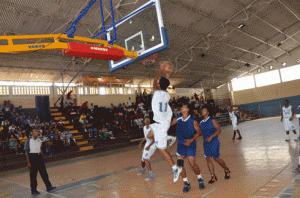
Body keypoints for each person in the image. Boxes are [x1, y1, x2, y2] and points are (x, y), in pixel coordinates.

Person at [150, 61, 181, 183]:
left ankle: (175, 168)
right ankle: (170, 138)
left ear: (158, 85)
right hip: (163, 122)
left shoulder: (157, 93)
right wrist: (167, 73)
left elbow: (155, 82)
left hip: (162, 124)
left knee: (161, 149)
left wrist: (161, 70)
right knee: (150, 136)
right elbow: (162, 84)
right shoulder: (166, 95)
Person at [170, 104, 205, 192]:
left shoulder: (192, 121)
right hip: (181, 144)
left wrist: (191, 139)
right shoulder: (178, 118)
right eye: (181, 107)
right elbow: (169, 124)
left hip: (190, 143)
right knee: (180, 165)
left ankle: (200, 178)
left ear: (187, 110)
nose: (182, 107)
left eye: (184, 107)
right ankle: (186, 183)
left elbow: (199, 132)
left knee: (191, 162)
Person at [200, 105, 230, 184]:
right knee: (208, 159)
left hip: (214, 142)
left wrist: (211, 136)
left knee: (216, 159)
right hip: (206, 144)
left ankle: (226, 170)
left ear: (208, 112)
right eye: (202, 110)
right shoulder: (201, 122)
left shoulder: (212, 120)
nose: (202, 111)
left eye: (204, 110)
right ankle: (213, 177)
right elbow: (200, 133)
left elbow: (219, 130)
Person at [24, 129, 56, 195]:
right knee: (33, 175)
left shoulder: (39, 139)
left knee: (44, 172)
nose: (37, 132)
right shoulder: (28, 140)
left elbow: (40, 148)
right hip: (32, 157)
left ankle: (48, 186)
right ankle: (33, 190)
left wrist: (41, 156)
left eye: (38, 131)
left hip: (39, 157)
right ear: (32, 133)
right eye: (36, 131)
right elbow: (26, 151)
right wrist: (28, 162)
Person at [138, 117, 156, 181]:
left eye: (148, 119)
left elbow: (155, 138)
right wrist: (141, 142)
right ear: (144, 122)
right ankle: (143, 169)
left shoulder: (152, 127)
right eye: (146, 120)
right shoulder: (144, 128)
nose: (147, 121)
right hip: (147, 144)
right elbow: (145, 137)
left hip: (153, 144)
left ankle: (151, 173)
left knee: (145, 158)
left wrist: (149, 146)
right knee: (143, 159)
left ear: (150, 121)